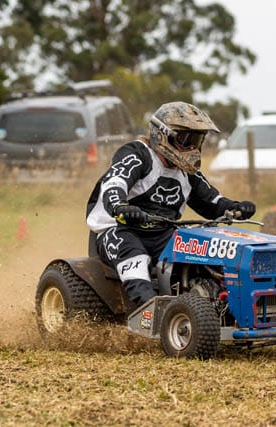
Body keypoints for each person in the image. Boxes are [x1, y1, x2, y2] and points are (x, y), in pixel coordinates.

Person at [86, 101, 256, 307]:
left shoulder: (186, 171)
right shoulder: (137, 155)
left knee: (202, 254)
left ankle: (216, 302)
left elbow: (212, 201)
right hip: (119, 228)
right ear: (164, 135)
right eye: (187, 140)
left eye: (197, 140)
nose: (193, 147)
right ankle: (151, 309)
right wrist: (120, 207)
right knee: (135, 257)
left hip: (163, 232)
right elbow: (115, 183)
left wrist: (236, 208)